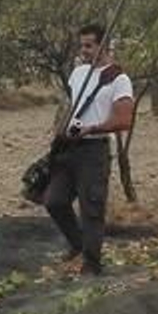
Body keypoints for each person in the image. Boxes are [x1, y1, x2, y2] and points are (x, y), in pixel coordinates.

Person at [44, 22, 134, 275]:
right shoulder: (78, 73)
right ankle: (78, 244)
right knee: (54, 200)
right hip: (68, 147)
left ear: (104, 45)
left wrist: (92, 128)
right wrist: (59, 128)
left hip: (94, 151)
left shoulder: (119, 79)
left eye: (89, 45)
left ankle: (92, 265)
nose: (83, 50)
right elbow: (69, 106)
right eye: (81, 45)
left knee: (91, 209)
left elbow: (125, 120)